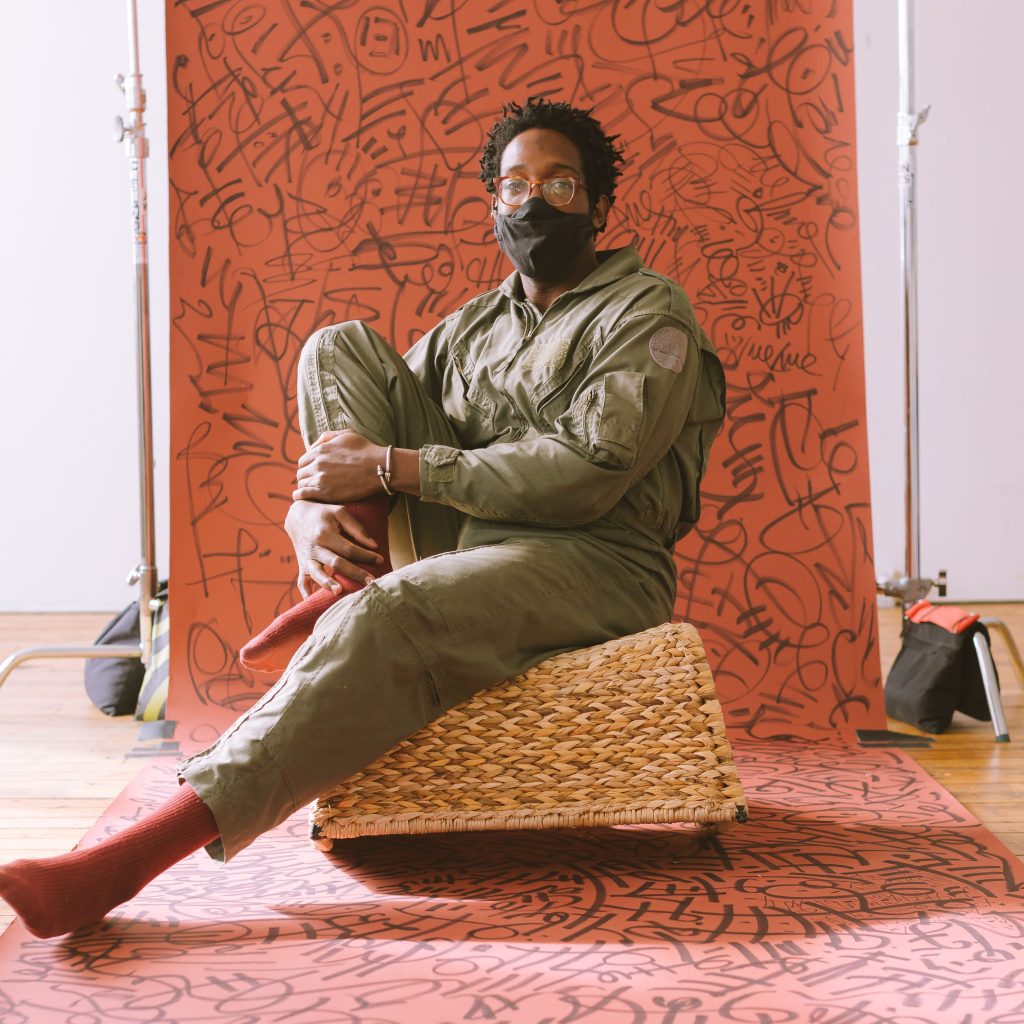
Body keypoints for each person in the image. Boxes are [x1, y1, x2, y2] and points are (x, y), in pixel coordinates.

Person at [0, 98, 725, 939]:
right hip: (467, 539)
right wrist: (307, 511)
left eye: (559, 184)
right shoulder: (474, 325)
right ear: (494, 205)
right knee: (335, 346)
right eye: (513, 185)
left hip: (596, 558)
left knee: (389, 614)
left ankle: (126, 859)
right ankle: (357, 561)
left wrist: (390, 469)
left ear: (600, 206)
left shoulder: (648, 312)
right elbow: (365, 430)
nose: (532, 204)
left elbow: (587, 474)